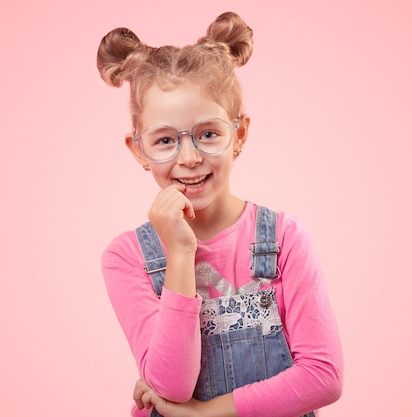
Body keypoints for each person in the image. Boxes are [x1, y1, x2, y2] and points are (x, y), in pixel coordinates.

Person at [97, 11, 343, 417]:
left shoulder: (284, 240)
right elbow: (171, 385)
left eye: (208, 134)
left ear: (239, 134)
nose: (190, 158)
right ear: (139, 149)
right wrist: (179, 254)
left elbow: (323, 376)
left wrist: (207, 414)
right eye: (164, 140)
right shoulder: (127, 258)